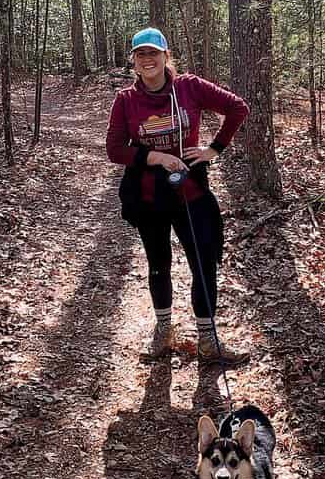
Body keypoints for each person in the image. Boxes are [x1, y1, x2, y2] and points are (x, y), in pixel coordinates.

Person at [106, 26, 250, 364]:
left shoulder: (190, 87)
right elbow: (114, 149)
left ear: (166, 56)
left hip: (190, 189)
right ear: (134, 62)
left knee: (204, 261)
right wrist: (155, 157)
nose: (148, 59)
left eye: (153, 53)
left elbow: (238, 108)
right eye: (141, 54)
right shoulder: (126, 100)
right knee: (159, 264)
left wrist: (214, 148)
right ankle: (164, 331)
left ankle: (208, 340)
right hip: (148, 195)